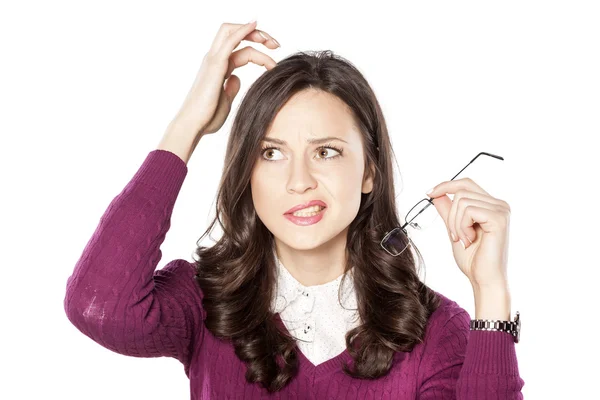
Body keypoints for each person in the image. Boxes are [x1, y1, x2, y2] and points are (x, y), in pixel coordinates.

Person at [64, 20, 525, 399]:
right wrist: (188, 125)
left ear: (370, 173)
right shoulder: (206, 301)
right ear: (247, 171)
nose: (298, 180)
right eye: (271, 153)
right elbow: (98, 305)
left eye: (326, 151)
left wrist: (492, 293)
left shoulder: (436, 331)